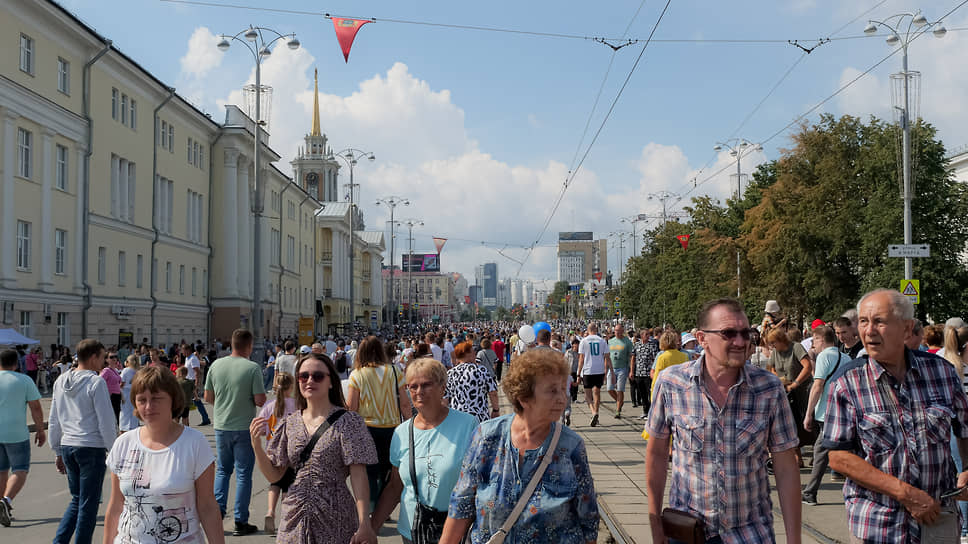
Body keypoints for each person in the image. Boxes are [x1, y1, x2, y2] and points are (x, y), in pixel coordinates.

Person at [646, 298, 802, 544]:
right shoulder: (671, 383)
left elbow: (785, 468)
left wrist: (794, 539)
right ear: (701, 339)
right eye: (729, 333)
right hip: (687, 533)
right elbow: (656, 455)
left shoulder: (769, 389)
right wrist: (656, 525)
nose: (740, 342)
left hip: (749, 534)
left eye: (745, 333)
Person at [825, 289, 968, 543]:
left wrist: (967, 468)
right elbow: (838, 457)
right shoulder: (846, 382)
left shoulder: (942, 373)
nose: (868, 331)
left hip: (937, 520)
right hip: (878, 524)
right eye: (863, 321)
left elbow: (964, 428)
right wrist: (905, 493)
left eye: (879, 321)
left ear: (906, 329)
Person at [440, 348, 599, 544]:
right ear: (524, 398)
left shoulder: (571, 446)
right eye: (552, 390)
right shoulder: (487, 437)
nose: (562, 398)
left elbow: (588, 519)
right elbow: (461, 506)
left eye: (562, 389)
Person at [250, 353, 378, 544]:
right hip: (294, 513)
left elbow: (359, 475)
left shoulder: (348, 422)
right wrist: (256, 446)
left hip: (335, 514)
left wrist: (364, 523)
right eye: (303, 376)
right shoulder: (290, 423)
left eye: (318, 376)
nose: (310, 381)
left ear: (331, 382)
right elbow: (275, 476)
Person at [102, 366, 224, 544]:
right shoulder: (123, 443)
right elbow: (115, 506)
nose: (149, 407)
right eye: (142, 400)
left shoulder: (195, 443)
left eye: (157, 399)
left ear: (173, 400)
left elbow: (207, 506)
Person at [372, 359, 478, 543]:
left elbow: (478, 484)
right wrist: (371, 528)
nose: (419, 392)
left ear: (442, 387)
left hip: (457, 530)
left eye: (426, 385)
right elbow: (395, 486)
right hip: (414, 530)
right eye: (413, 387)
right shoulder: (402, 433)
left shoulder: (468, 425)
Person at [50, 339, 118, 544]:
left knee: (78, 499)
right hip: (91, 447)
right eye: (103, 357)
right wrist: (114, 451)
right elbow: (106, 420)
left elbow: (54, 418)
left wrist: (57, 451)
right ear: (93, 357)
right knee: (88, 505)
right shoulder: (95, 382)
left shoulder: (61, 381)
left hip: (68, 445)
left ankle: (59, 541)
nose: (104, 362)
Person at [203, 329, 267, 536]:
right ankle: (240, 520)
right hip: (243, 427)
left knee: (222, 470)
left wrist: (224, 403)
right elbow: (260, 400)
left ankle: (218, 513)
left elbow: (208, 397)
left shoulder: (216, 365)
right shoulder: (252, 368)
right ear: (248, 346)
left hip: (221, 426)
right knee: (243, 474)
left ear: (232, 344)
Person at [347, 336, 411, 510]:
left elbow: (352, 408)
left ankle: (372, 505)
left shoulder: (357, 374)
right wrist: (410, 423)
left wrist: (349, 432)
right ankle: (383, 507)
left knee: (369, 471)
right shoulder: (394, 371)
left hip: (366, 429)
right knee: (387, 470)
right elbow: (405, 402)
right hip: (392, 428)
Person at [801, 325, 847, 506]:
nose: (813, 345)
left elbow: (818, 385)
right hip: (843, 411)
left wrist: (808, 413)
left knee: (820, 452)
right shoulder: (845, 357)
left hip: (826, 412)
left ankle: (810, 493)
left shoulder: (824, 357)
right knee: (841, 451)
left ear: (820, 339)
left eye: (813, 341)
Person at [0, 349, 45, 527]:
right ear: (16, 363)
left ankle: (2, 503)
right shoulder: (24, 380)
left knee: (1, 470)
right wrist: (40, 430)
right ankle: (6, 501)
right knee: (20, 469)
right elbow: (35, 407)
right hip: (16, 433)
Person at [257, 373, 298, 534]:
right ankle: (285, 518)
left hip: (272, 451)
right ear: (291, 387)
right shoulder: (296, 405)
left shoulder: (268, 405)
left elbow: (260, 429)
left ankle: (270, 511)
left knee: (275, 483)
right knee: (288, 485)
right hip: (291, 451)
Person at [767, 327, 813, 467]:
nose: (772, 346)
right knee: (790, 424)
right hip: (785, 392)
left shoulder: (796, 347)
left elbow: (807, 366)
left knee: (807, 423)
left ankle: (817, 455)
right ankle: (797, 457)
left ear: (781, 340)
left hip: (802, 392)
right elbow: (771, 368)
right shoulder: (775, 352)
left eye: (774, 342)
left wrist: (796, 383)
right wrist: (778, 379)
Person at [446, 341, 500, 423]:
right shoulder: (481, 370)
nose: (475, 352)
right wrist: (496, 410)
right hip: (479, 417)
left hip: (457, 418)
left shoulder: (450, 373)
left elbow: (445, 398)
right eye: (472, 351)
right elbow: (493, 393)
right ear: (466, 354)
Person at [577, 323, 611, 427]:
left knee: (588, 395)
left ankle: (593, 412)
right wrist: (607, 371)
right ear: (596, 329)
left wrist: (578, 373)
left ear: (588, 329)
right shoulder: (602, 341)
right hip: (599, 370)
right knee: (597, 392)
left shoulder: (583, 341)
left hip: (588, 370)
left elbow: (581, 359)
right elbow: (607, 357)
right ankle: (596, 412)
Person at [606, 323, 634, 419]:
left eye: (619, 330)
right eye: (616, 330)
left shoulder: (627, 342)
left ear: (623, 331)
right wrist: (605, 370)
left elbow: (631, 356)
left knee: (620, 389)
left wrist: (631, 370)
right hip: (612, 368)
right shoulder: (610, 341)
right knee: (609, 388)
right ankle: (619, 401)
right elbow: (607, 357)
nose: (617, 332)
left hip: (622, 368)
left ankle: (618, 411)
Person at [650, 331, 688, 399]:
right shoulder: (684, 356)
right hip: (681, 391)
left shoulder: (662, 357)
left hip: (666, 392)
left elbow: (657, 378)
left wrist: (653, 395)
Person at [631, 328, 658, 420]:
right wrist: (631, 371)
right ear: (641, 336)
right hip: (639, 373)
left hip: (648, 373)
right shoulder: (637, 345)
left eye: (648, 334)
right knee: (642, 393)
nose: (648, 336)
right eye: (645, 334)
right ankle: (645, 411)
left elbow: (655, 359)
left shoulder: (652, 345)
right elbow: (633, 358)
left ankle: (651, 411)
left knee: (649, 392)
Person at [184, 345, 211, 425]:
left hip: (192, 382)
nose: (182, 352)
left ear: (188, 350)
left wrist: (196, 385)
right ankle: (205, 418)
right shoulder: (187, 358)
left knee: (195, 401)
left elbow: (197, 372)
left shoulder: (193, 358)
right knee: (196, 401)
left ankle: (205, 418)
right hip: (188, 381)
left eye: (183, 350)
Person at [101, 351, 123, 426]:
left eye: (115, 357)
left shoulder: (114, 370)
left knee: (117, 417)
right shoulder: (106, 370)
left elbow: (118, 383)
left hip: (117, 396)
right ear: (106, 359)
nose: (114, 359)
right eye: (111, 357)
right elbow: (99, 381)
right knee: (113, 418)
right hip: (111, 396)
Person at [119, 355, 140, 432]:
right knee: (133, 411)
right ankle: (133, 427)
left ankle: (124, 429)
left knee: (125, 413)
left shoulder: (126, 370)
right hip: (134, 392)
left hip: (125, 393)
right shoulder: (138, 371)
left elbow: (122, 383)